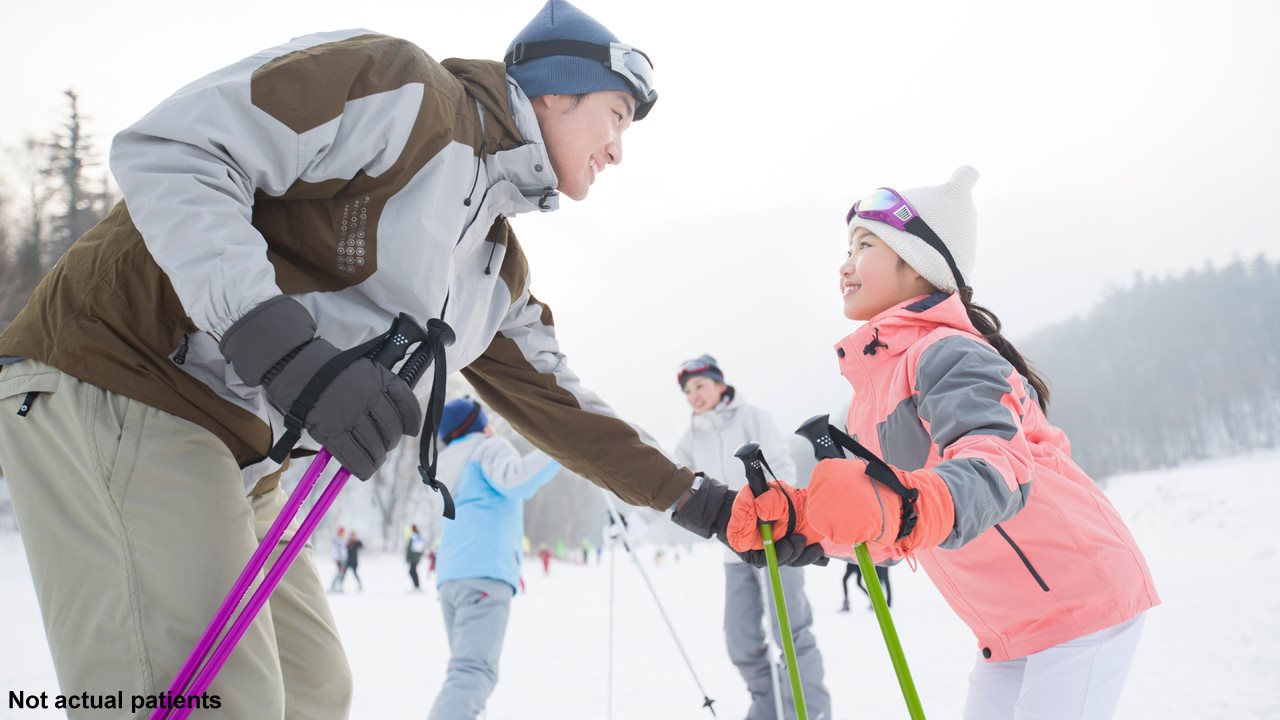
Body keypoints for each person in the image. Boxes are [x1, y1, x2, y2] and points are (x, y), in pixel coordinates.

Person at [0, 1, 826, 714]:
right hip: (119, 376)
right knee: (210, 701)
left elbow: (568, 413)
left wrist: (705, 505)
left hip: (237, 454)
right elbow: (172, 150)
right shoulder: (403, 94)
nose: (619, 148)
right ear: (558, 87)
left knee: (315, 693)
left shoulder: (491, 271)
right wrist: (290, 354)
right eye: (616, 115)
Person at [726, 167, 1160, 719]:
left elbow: (998, 467)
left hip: (1081, 600)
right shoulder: (870, 393)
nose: (845, 263)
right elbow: (888, 526)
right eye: (848, 246)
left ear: (917, 265)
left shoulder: (950, 354)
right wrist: (803, 521)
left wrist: (906, 505)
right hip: (1010, 623)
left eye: (864, 245)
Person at [673, 355, 832, 720]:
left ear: (719, 383)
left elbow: (781, 466)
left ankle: (809, 711)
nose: (694, 395)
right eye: (687, 391)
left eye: (699, 385)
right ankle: (769, 709)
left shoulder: (752, 417)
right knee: (740, 639)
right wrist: (630, 518)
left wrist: (776, 513)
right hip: (733, 553)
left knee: (790, 632)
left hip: (778, 544)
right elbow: (671, 483)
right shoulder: (689, 439)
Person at [429, 397, 559, 719]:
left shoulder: (443, 465)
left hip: (451, 580)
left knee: (465, 672)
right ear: (479, 424)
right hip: (484, 574)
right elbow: (517, 481)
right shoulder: (487, 447)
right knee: (473, 672)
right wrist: (562, 451)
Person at [407, 524, 427, 591]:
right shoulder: (417, 536)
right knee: (413, 571)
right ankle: (416, 586)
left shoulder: (415, 536)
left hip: (414, 558)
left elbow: (414, 548)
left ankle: (417, 586)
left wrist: (409, 557)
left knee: (412, 571)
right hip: (415, 557)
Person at [329, 527, 350, 593]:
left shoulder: (343, 540)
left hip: (344, 559)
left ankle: (340, 586)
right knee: (339, 572)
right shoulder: (336, 540)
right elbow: (338, 550)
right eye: (341, 532)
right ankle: (333, 586)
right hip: (339, 559)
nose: (342, 534)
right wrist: (341, 559)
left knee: (343, 573)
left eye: (343, 532)